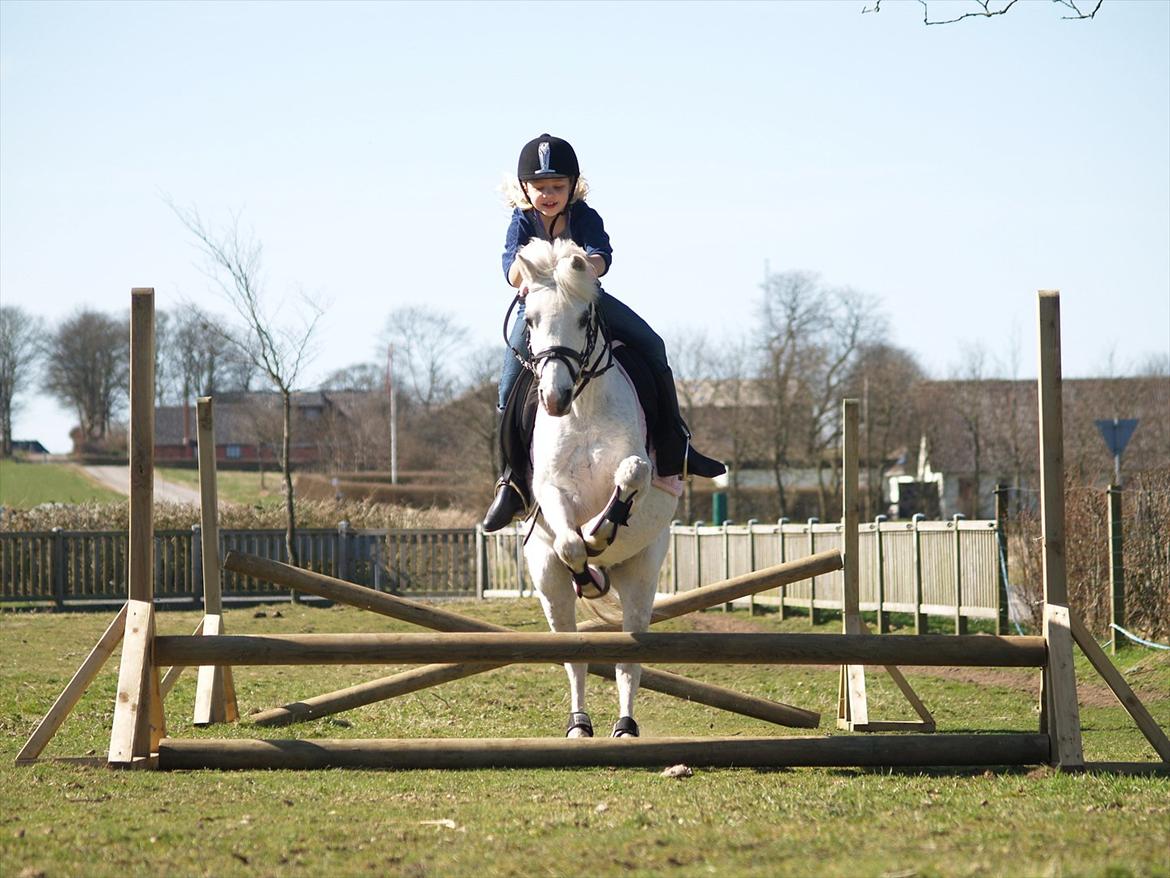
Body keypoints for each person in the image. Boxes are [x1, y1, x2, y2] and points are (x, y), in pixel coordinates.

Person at [483, 134, 725, 531]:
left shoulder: (585, 215)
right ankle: (511, 482)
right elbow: (511, 267)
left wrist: (581, 268)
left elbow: (601, 256)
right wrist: (523, 277)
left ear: (572, 186)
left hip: (586, 302)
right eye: (540, 187)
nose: (548, 195)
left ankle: (675, 446)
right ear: (525, 189)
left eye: (557, 186)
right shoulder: (521, 221)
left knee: (653, 344)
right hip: (540, 310)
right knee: (508, 383)